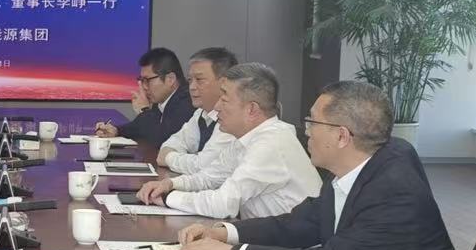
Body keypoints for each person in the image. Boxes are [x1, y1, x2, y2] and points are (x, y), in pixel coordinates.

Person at [176, 80, 463, 250]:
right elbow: (302, 223)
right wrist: (224, 233)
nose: (307, 132)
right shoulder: (356, 164)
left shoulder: (395, 195)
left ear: (342, 136)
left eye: (312, 122)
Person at [137, 63, 320, 218]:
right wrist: (170, 184)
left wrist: (168, 198)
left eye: (224, 100)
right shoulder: (247, 138)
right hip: (262, 238)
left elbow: (222, 204)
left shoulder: (271, 143)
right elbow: (209, 177)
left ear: (251, 109)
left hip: (289, 246)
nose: (217, 107)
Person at [156, 46, 238, 176]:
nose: (192, 87)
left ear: (224, 83)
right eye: (190, 80)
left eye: (199, 80)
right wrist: (173, 156)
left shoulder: (234, 117)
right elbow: (171, 144)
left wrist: (169, 158)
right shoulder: (201, 113)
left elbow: (205, 167)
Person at [93, 47, 194, 148]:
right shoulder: (161, 100)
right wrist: (116, 130)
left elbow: (163, 141)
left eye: (147, 80)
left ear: (170, 79)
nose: (144, 87)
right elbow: (139, 128)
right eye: (142, 80)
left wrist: (144, 110)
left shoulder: (187, 101)